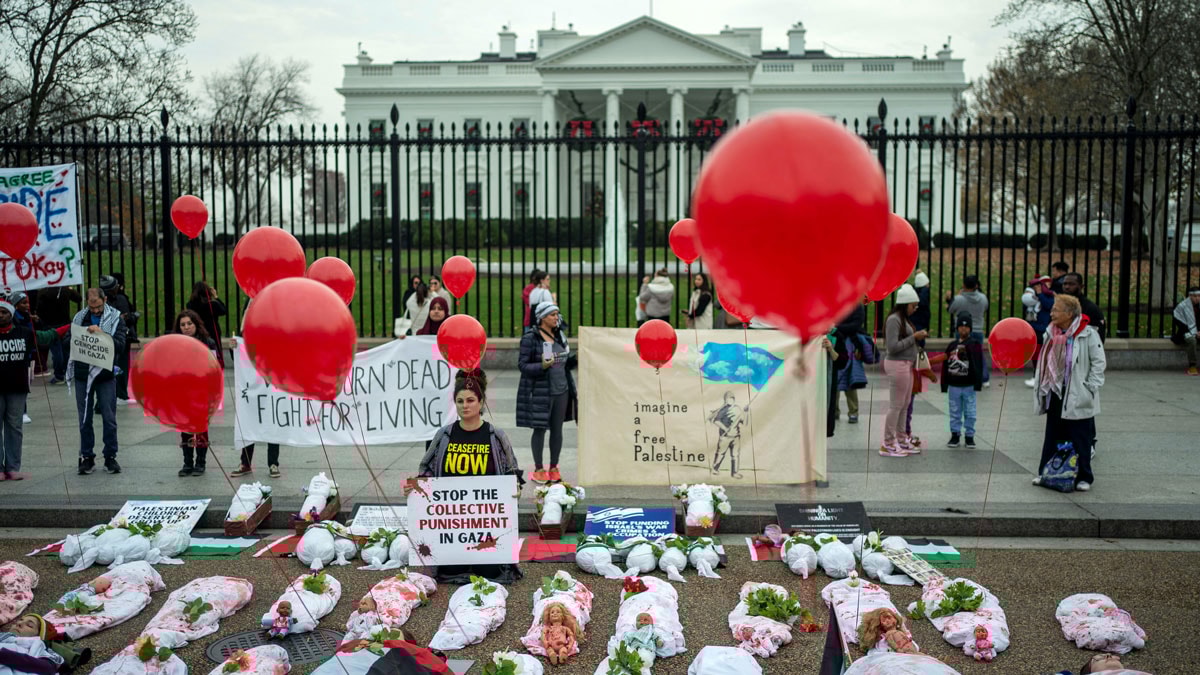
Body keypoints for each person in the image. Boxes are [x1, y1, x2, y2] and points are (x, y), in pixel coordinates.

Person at [417, 368, 524, 584]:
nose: (465, 405)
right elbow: (426, 468)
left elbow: (511, 471)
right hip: (452, 521)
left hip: (486, 521)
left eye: (470, 400)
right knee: (451, 567)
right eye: (459, 401)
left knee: (490, 571)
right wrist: (419, 485)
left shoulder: (496, 435)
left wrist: (515, 488)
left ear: (481, 402)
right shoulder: (444, 435)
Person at [1032, 295, 1105, 492]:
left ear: (1070, 314)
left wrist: (1089, 387)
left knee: (1080, 436)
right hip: (1055, 390)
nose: (1052, 313)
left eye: (1057, 309)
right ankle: (1046, 472)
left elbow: (1099, 362)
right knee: (1053, 434)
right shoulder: (1050, 332)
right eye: (1053, 309)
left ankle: (1084, 477)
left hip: (1077, 393)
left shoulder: (1088, 334)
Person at [1, 301, 69, 480]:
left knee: (14, 427)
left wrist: (70, 327)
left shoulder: (24, 333)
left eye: (4, 312)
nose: (0, 315)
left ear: (11, 315)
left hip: (17, 388)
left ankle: (13, 468)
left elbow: (47, 336)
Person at [517, 302, 577, 483]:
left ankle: (554, 467)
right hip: (541, 392)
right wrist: (542, 366)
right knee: (540, 429)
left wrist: (577, 359)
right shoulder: (530, 338)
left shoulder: (560, 336)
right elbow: (523, 365)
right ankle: (538, 468)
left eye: (557, 314)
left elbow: (565, 364)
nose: (556, 317)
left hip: (562, 390)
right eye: (552, 314)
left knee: (557, 430)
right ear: (542, 317)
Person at [71, 287, 127, 475]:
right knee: (84, 419)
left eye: (99, 306)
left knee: (109, 418)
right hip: (83, 374)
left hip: (105, 375)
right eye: (91, 306)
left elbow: (120, 345)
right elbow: (68, 343)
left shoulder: (115, 318)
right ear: (87, 302)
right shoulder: (79, 319)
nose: (95, 311)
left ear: (104, 300)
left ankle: (110, 456)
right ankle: (87, 457)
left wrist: (102, 334)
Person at [882, 284, 927, 457]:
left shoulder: (903, 319)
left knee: (904, 404)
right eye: (913, 305)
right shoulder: (895, 319)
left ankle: (901, 439)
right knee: (896, 405)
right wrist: (913, 338)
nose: (915, 309)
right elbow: (892, 347)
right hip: (897, 364)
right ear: (905, 303)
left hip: (906, 364)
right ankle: (888, 443)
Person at [172, 310, 217, 476]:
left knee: (200, 428)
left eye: (189, 324)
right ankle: (187, 462)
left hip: (201, 391)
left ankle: (201, 462)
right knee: (185, 428)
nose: (186, 327)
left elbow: (214, 368)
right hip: (182, 391)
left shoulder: (208, 342)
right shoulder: (175, 344)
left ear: (196, 324)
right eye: (183, 325)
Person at [942, 312, 983, 448]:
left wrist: (978, 383)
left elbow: (978, 363)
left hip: (969, 385)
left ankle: (969, 436)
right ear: (957, 328)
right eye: (961, 326)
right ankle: (955, 435)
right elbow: (945, 364)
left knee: (970, 412)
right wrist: (944, 384)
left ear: (970, 329)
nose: (963, 329)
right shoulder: (951, 346)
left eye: (966, 327)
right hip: (954, 385)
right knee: (955, 411)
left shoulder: (974, 344)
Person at [99, 274, 137, 404]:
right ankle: (119, 393)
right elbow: (124, 319)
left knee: (116, 365)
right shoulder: (120, 299)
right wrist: (129, 317)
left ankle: (117, 393)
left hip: (113, 338)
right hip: (119, 338)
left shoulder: (106, 301)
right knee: (119, 365)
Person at [946, 274, 990, 385]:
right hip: (978, 330)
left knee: (961, 354)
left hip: (962, 331)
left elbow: (951, 310)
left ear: (964, 285)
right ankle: (983, 378)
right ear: (976, 285)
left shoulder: (959, 299)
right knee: (978, 354)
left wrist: (950, 299)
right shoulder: (983, 298)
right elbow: (985, 308)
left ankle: (962, 375)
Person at [34, 286, 81, 384]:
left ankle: (59, 375)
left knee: (57, 352)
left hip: (50, 325)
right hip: (65, 324)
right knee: (65, 351)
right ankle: (67, 373)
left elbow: (39, 309)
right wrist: (71, 289)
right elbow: (78, 299)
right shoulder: (65, 289)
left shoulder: (43, 291)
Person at [833, 301, 870, 424]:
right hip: (837, 342)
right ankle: (834, 410)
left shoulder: (856, 305)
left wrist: (837, 327)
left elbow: (856, 325)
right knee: (835, 378)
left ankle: (853, 411)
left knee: (850, 378)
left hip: (851, 344)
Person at [1024, 275, 1057, 387]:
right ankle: (1036, 375)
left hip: (1043, 329)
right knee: (1035, 354)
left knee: (1044, 354)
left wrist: (1040, 294)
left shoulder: (1049, 295)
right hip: (1033, 328)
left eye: (1038, 286)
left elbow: (1049, 305)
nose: (1036, 288)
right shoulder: (1032, 297)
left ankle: (1043, 376)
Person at [186, 281, 228, 368]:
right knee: (213, 351)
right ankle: (213, 367)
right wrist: (216, 297)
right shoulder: (212, 304)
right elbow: (224, 310)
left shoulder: (190, 305)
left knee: (198, 350)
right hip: (212, 331)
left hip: (198, 330)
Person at [1060, 273, 1106, 343]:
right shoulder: (1059, 306)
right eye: (1065, 284)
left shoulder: (1091, 309)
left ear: (1081, 286)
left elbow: (1098, 338)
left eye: (1071, 284)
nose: (1067, 287)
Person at [1171, 286, 1200, 376]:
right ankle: (1192, 366)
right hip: (1186, 331)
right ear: (1190, 296)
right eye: (1194, 296)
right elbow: (1179, 322)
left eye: (1199, 296)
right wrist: (1194, 333)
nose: (1197, 298)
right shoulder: (1182, 306)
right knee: (1191, 340)